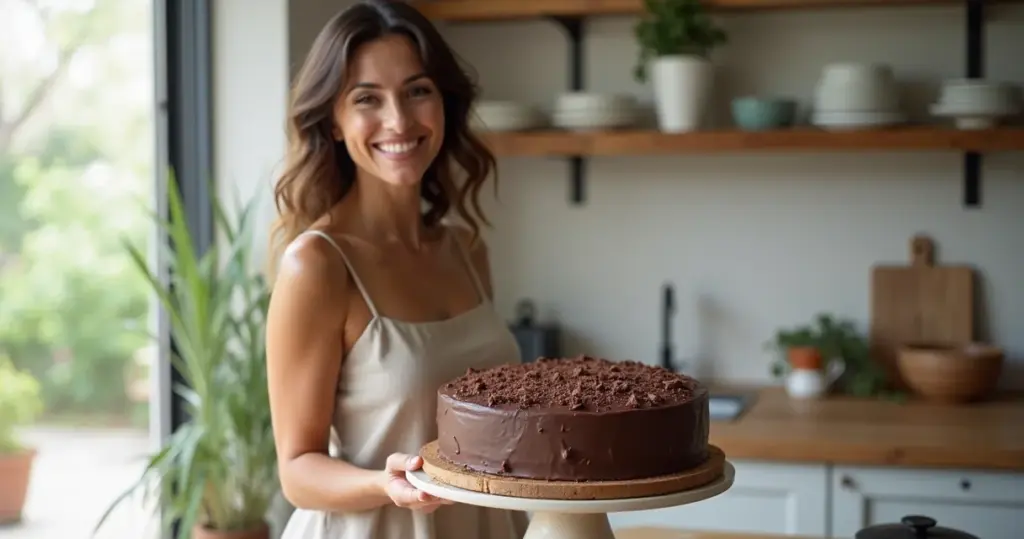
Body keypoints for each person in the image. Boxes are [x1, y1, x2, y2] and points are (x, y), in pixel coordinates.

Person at [264, 0, 530, 538]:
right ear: (335, 123)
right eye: (367, 98)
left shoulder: (466, 251)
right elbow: (297, 470)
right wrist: (383, 484)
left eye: (417, 91)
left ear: (443, 104)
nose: (400, 120)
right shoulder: (317, 265)